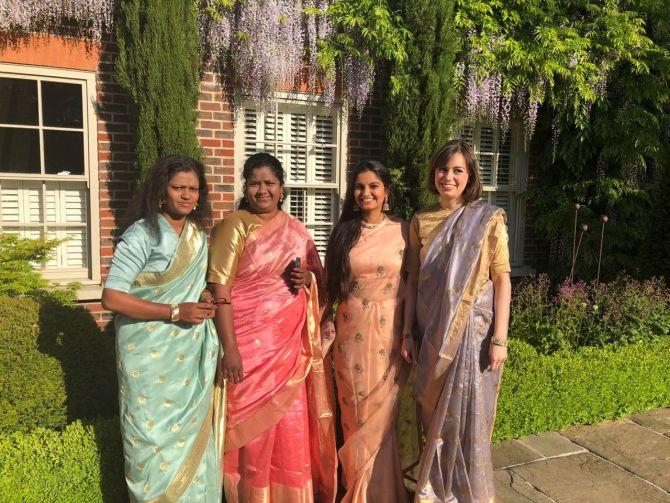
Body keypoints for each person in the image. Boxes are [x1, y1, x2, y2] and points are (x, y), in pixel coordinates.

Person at [207, 152, 337, 502]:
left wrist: (309, 278)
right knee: (251, 433)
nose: (262, 190)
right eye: (254, 183)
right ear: (245, 188)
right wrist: (229, 349)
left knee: (290, 427)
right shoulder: (234, 225)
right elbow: (219, 289)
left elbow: (322, 285)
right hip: (246, 347)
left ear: (281, 189)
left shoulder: (297, 230)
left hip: (288, 350)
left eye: (269, 183)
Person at [102, 156, 225, 502]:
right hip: (148, 359)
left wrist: (201, 295)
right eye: (178, 188)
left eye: (193, 189)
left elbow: (194, 285)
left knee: (191, 438)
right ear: (161, 192)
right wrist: (174, 310)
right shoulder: (142, 234)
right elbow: (112, 297)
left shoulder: (198, 237)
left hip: (188, 355)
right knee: (151, 438)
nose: (186, 195)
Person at [401, 140, 512, 502]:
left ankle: (467, 494)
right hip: (429, 333)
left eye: (457, 170)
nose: (448, 177)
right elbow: (413, 280)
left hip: (472, 336)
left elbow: (502, 279)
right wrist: (407, 332)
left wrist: (499, 339)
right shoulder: (420, 220)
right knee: (433, 416)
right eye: (443, 169)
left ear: (470, 177)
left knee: (467, 421)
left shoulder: (487, 219)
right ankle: (433, 491)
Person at [322, 160, 409, 502]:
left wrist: (413, 332)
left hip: (391, 334)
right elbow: (329, 286)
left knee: (384, 416)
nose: (366, 193)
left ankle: (382, 493)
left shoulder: (404, 230)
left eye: (374, 186)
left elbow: (416, 283)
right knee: (356, 415)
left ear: (387, 191)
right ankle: (357, 490)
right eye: (360, 187)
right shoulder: (344, 232)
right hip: (351, 336)